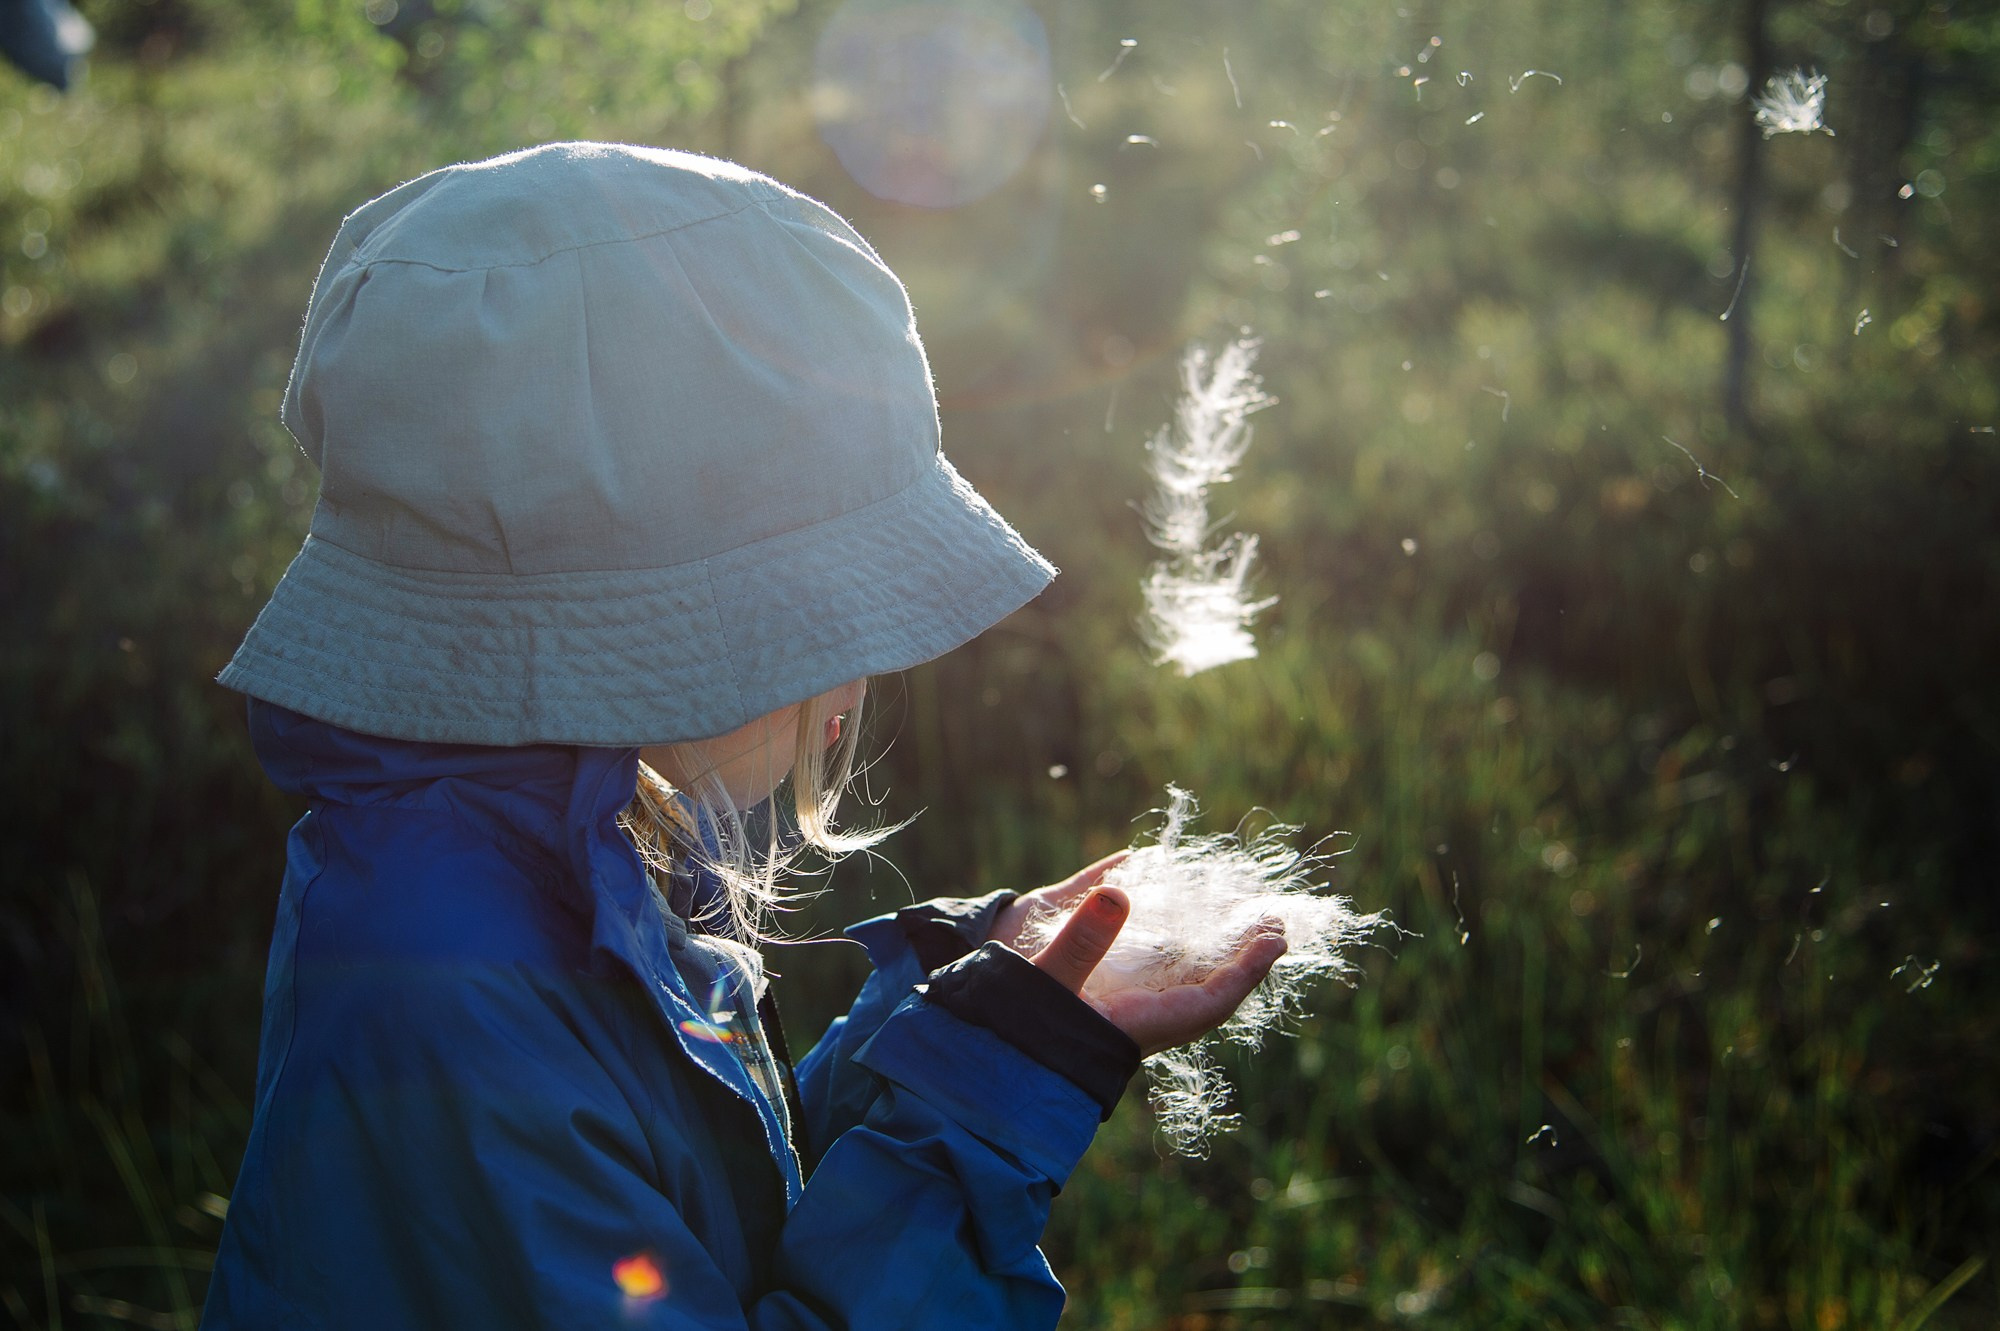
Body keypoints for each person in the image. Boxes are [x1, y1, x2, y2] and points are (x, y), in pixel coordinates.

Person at [201, 142, 1286, 1330]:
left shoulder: (562, 857)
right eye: (830, 602)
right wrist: (979, 1109)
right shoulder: (449, 1000)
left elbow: (702, 1212)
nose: (859, 655)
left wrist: (953, 1027)